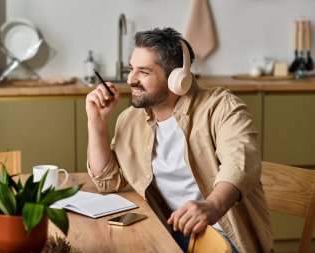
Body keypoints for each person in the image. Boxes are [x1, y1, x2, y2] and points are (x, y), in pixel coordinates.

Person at [85, 27, 274, 253]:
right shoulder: (130, 119)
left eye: (143, 72)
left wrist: (212, 206)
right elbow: (108, 181)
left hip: (224, 240)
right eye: (131, 69)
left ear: (177, 78)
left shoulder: (221, 108)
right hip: (169, 233)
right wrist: (96, 123)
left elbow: (240, 163)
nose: (131, 79)